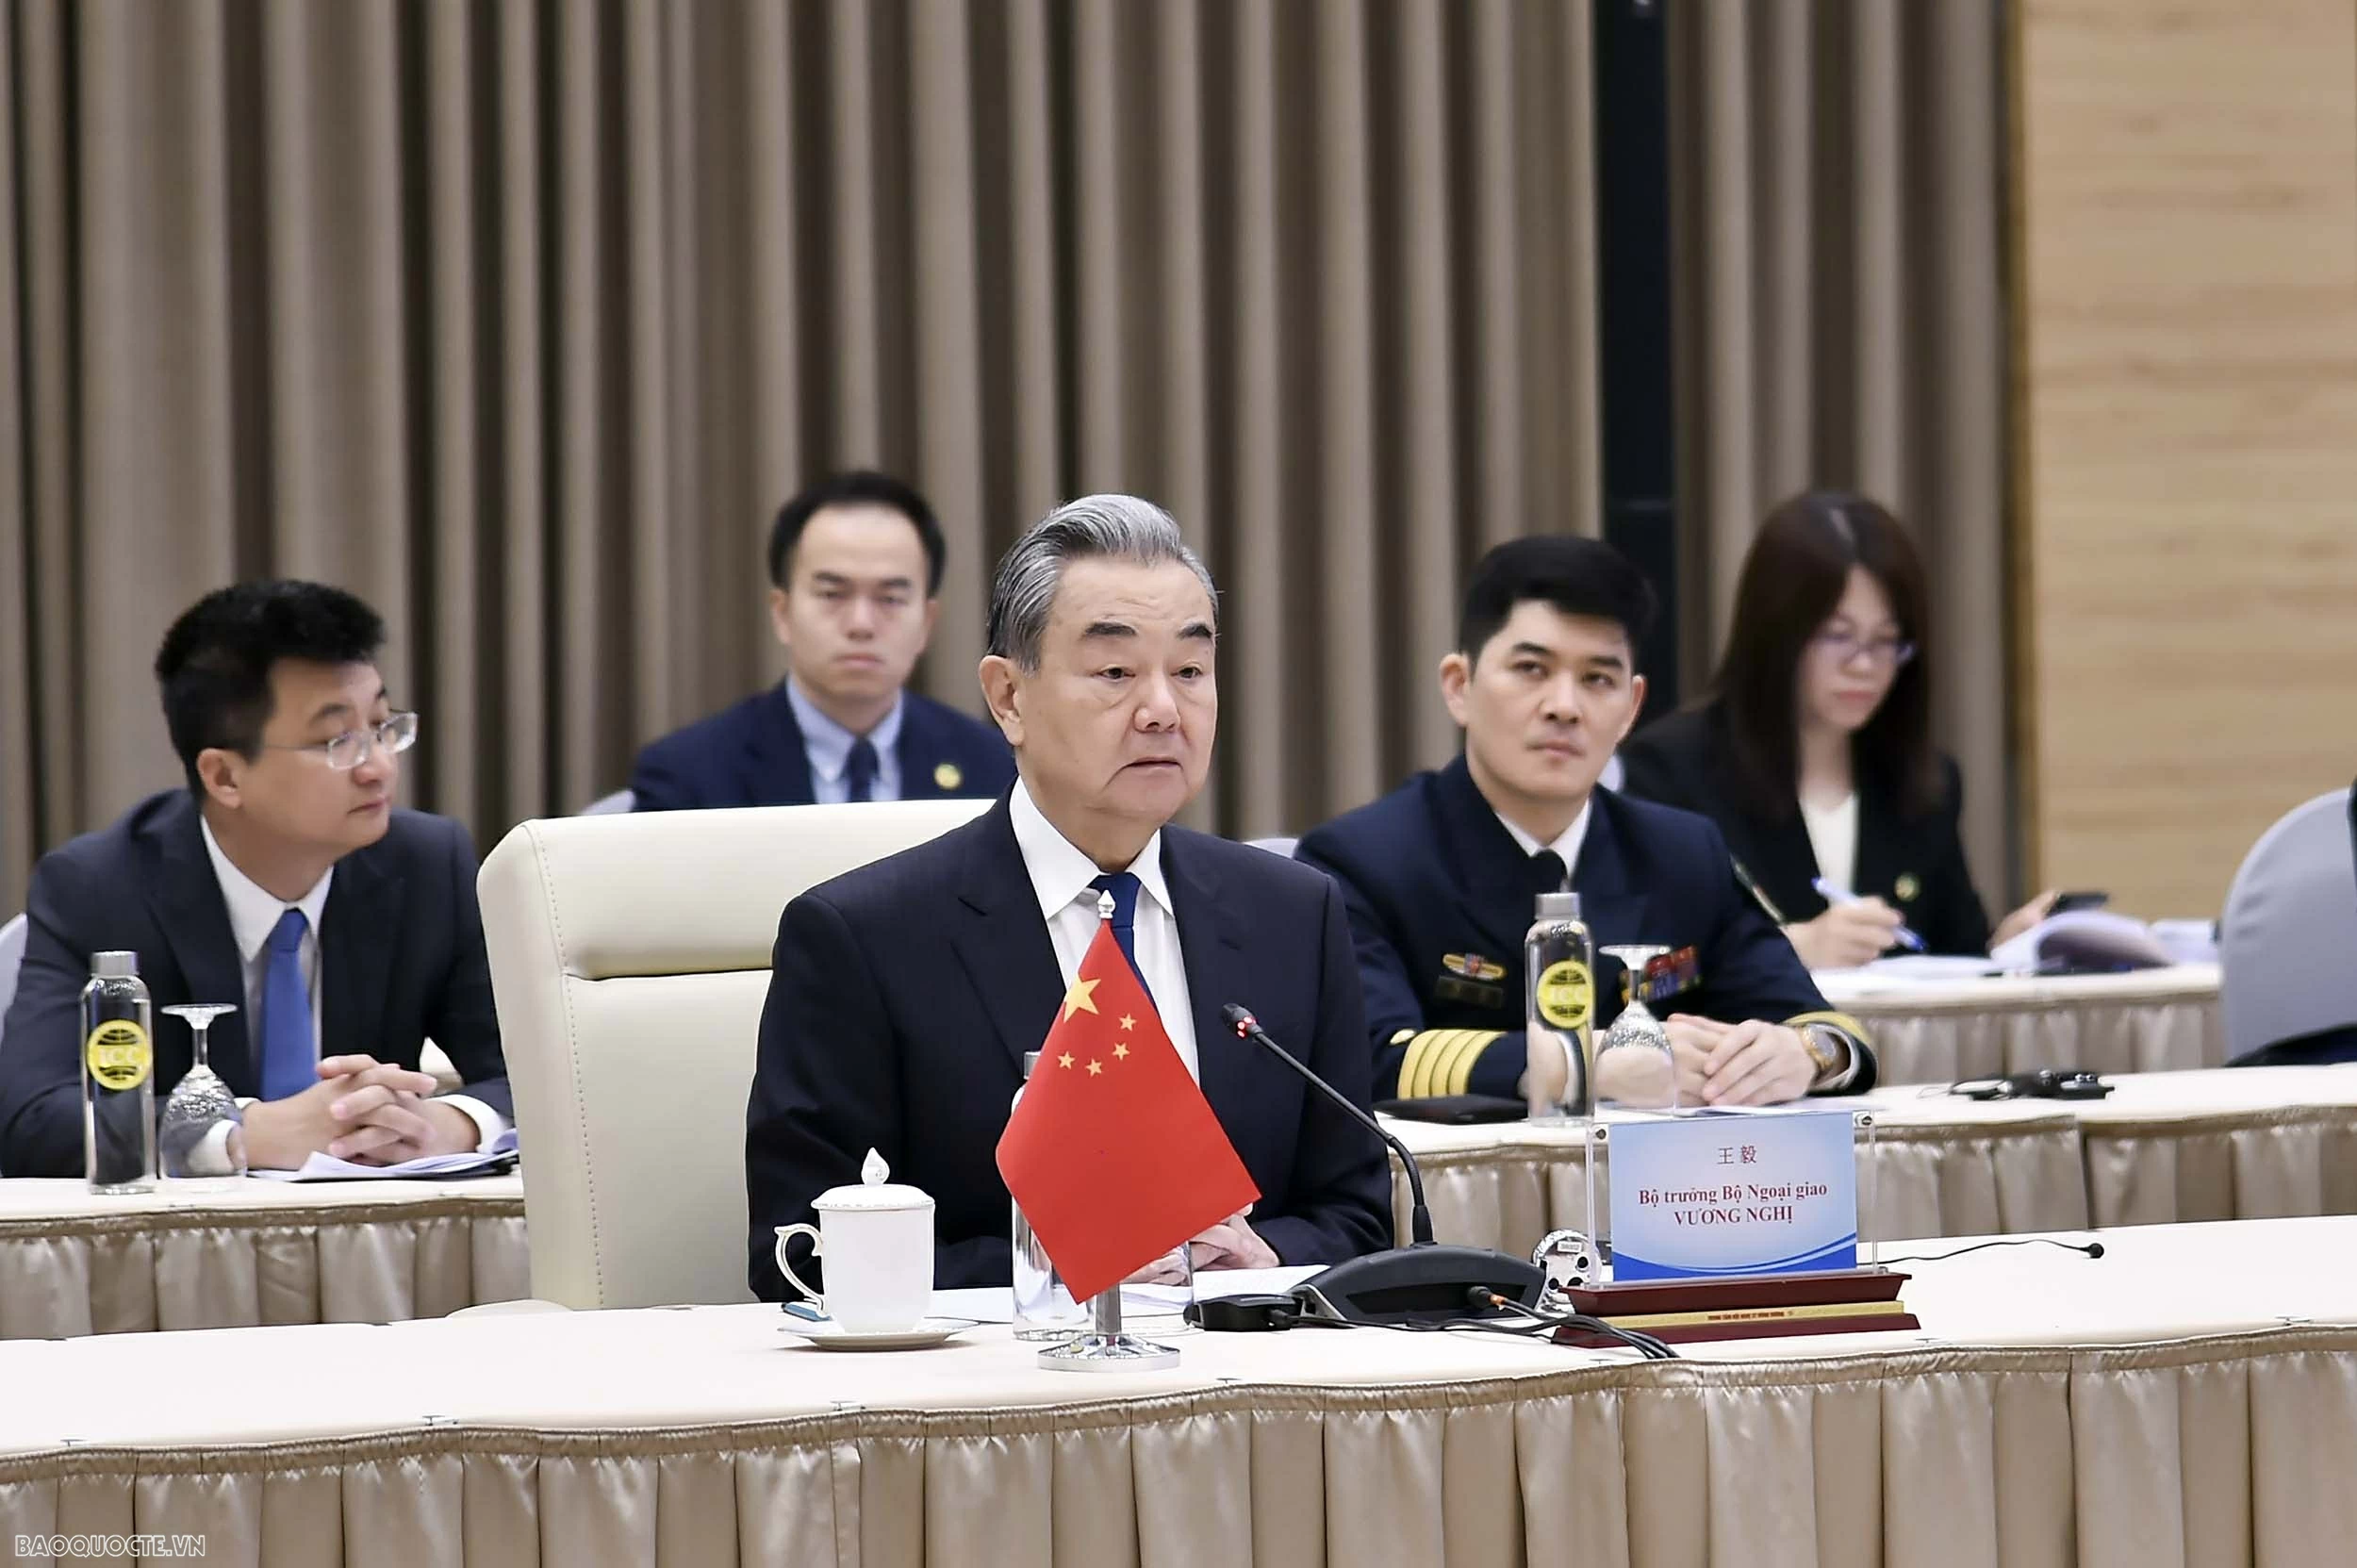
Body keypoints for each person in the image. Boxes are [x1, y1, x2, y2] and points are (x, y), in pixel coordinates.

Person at [746, 495, 1392, 1295]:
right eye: (1116, 673)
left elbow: (1361, 1217)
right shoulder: (863, 937)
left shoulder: (1295, 914)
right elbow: (797, 1252)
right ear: (1008, 697)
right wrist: (1053, 1262)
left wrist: (1259, 1256)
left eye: (1190, 671)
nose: (1163, 710)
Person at [1297, 535, 1876, 1109]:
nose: (1565, 706)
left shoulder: (1680, 852)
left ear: (1631, 707)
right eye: (1531, 669)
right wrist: (1584, 1064)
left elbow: (1825, 1025)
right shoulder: (1361, 861)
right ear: (1459, 687)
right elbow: (1367, 1059)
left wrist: (1805, 1055)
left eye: (1598, 679)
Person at [0, 582, 511, 1177]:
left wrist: (453, 1124)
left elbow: (547, 1072)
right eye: (337, 741)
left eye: (382, 725)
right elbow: (31, 1119)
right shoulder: (97, 887)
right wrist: (241, 1132)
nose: (378, 767)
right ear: (224, 777)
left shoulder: (429, 866)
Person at [1618, 491, 2052, 968]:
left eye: (1887, 642)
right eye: (1837, 636)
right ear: (1776, 633)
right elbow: (1639, 971)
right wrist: (1791, 949)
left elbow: (1950, 953)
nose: (1864, 666)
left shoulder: (1925, 782)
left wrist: (2005, 950)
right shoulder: (1670, 771)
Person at [629, 470, 1015, 811]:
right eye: (832, 594)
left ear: (927, 623)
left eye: (891, 598)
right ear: (782, 612)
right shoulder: (688, 777)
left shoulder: (996, 769)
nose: (861, 624)